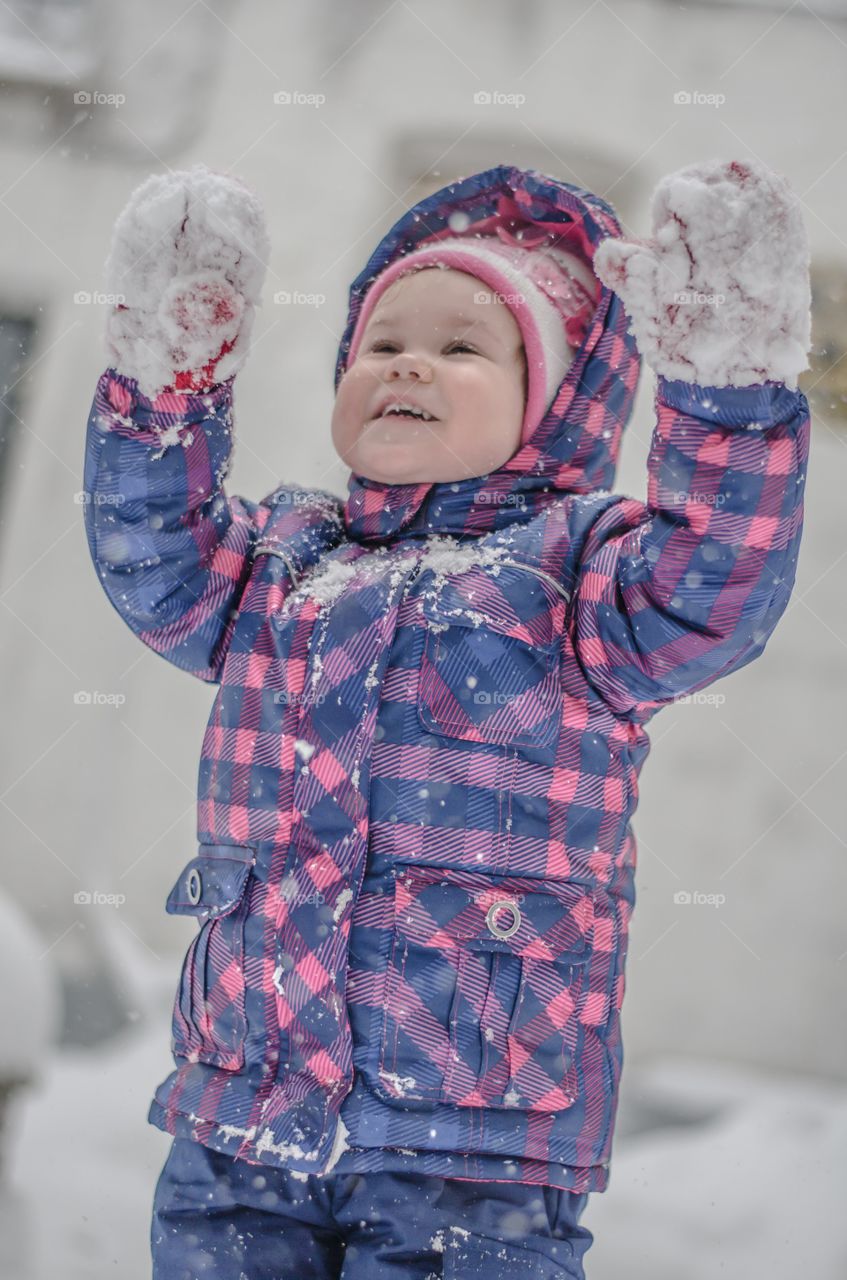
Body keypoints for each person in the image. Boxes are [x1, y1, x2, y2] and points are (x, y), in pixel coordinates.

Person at [82, 159, 812, 1279]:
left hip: (475, 1139)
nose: (409, 361)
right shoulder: (280, 561)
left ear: (555, 406)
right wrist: (164, 384)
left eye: (464, 346)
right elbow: (154, 558)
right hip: (242, 1112)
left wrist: (725, 390)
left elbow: (714, 580)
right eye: (382, 343)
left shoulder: (582, 581)